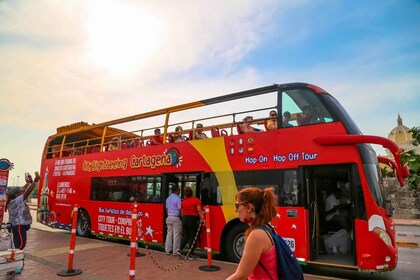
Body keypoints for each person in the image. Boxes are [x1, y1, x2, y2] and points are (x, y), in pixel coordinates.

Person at [227, 187, 278, 280]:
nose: (236, 210)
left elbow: (240, 276)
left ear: (249, 208)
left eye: (237, 205)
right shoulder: (267, 227)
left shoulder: (257, 235)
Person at [6, 172, 40, 250]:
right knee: (20, 246)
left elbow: (23, 190)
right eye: (20, 192)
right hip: (18, 226)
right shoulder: (15, 201)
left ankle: (17, 258)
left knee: (18, 245)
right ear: (15, 195)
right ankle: (16, 258)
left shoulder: (13, 199)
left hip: (18, 226)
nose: (22, 192)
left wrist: (27, 183)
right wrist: (34, 182)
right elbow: (26, 193)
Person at [178, 187, 204, 260]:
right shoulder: (196, 200)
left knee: (186, 235)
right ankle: (191, 254)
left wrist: (184, 218)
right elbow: (199, 210)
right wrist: (203, 219)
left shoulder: (183, 202)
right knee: (193, 236)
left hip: (185, 219)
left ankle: (180, 250)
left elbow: (182, 212)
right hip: (192, 219)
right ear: (192, 193)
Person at [165, 185, 182, 256]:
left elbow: (167, 209)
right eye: (179, 189)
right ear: (176, 190)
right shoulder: (178, 199)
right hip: (176, 218)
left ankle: (168, 250)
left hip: (169, 217)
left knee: (169, 234)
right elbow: (180, 209)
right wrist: (182, 217)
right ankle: (175, 251)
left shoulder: (168, 198)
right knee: (176, 235)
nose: (180, 191)